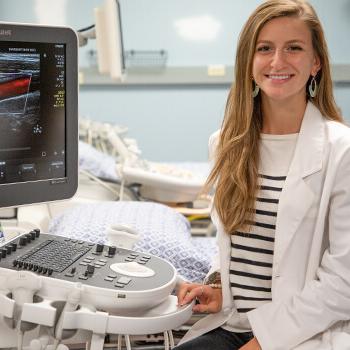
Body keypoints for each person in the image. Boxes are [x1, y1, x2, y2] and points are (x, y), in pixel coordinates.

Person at [174, 1, 350, 349]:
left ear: (316, 62)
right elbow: (234, 243)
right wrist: (220, 285)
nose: (277, 61)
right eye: (265, 48)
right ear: (249, 62)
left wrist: (263, 342)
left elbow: (344, 281)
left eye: (294, 48)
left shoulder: (341, 151)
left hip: (303, 332)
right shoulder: (226, 142)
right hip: (233, 322)